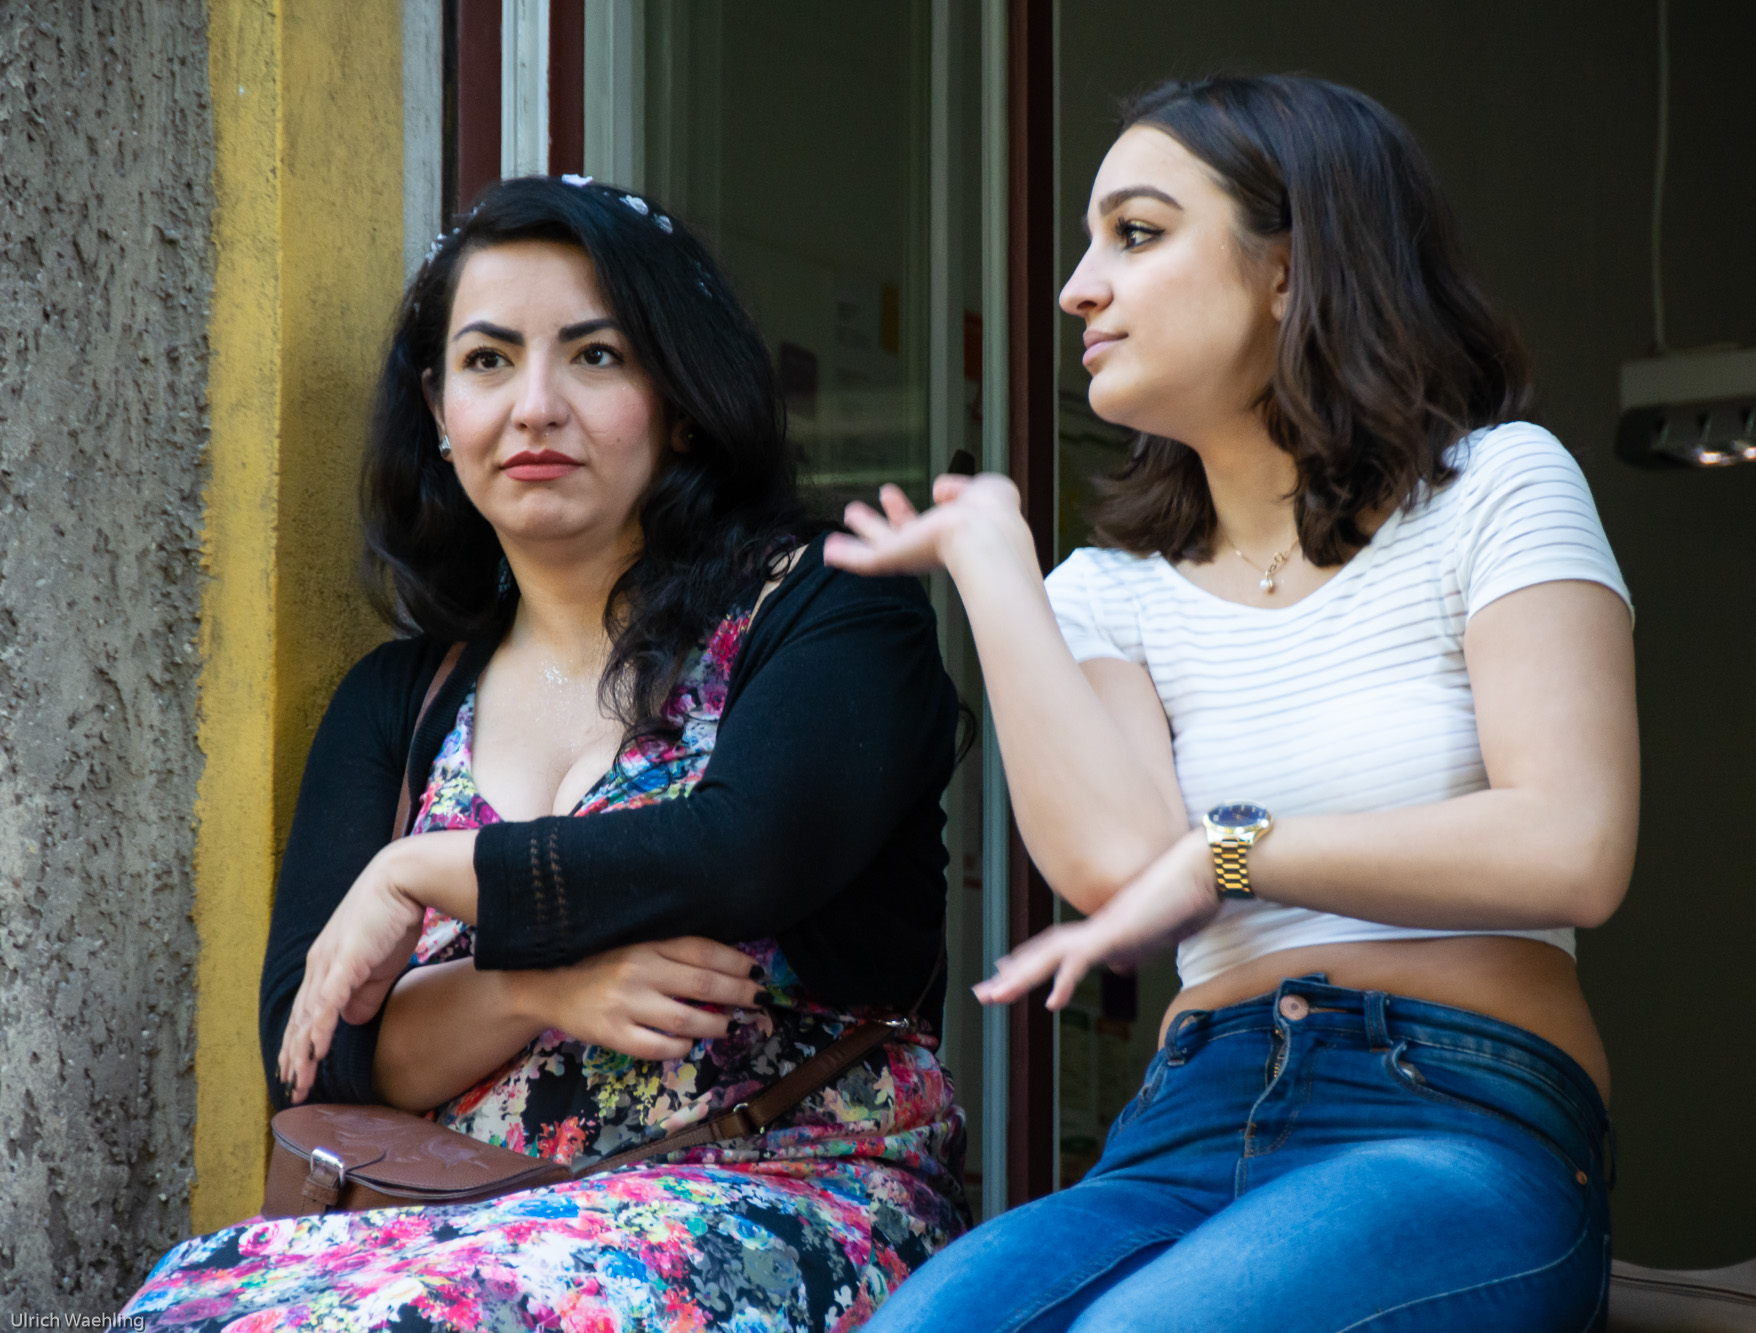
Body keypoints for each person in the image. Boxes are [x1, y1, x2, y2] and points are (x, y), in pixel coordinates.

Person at [830, 75, 1638, 1332]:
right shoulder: (1107, 591)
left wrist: (1233, 851)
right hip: (1189, 1117)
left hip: (1450, 1108)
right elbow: (1117, 870)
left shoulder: (1494, 487)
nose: (1077, 288)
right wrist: (991, 566)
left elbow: (1570, 847)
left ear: (1286, 268)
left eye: (1135, 234)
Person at [123, 175, 967, 1331]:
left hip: (780, 1189)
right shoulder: (402, 701)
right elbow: (313, 1052)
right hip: (459, 1216)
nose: (535, 407)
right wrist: (533, 986)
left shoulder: (823, 603)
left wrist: (420, 871)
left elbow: (744, 853)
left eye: (595, 356)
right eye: (487, 360)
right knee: (182, 1308)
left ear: (679, 397)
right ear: (438, 409)